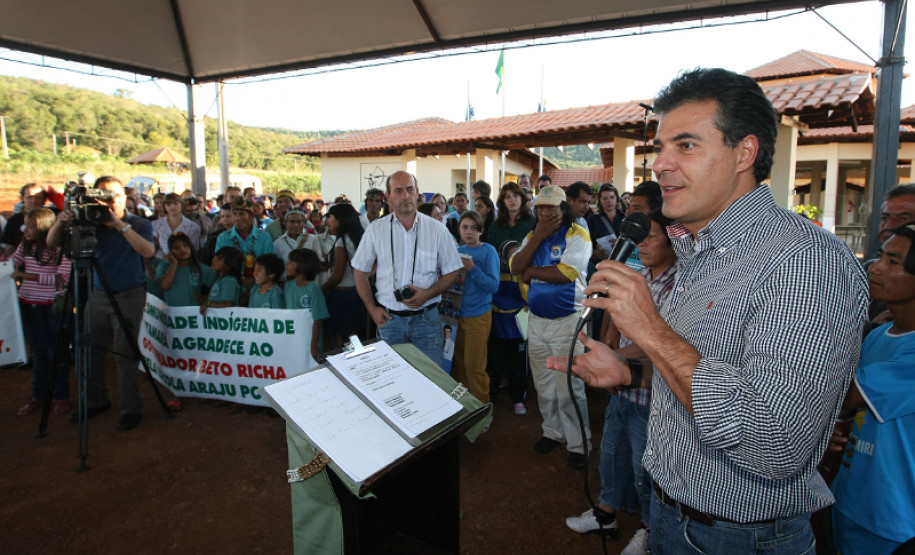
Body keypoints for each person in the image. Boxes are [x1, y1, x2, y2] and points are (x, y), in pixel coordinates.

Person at [547, 68, 868, 553]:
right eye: (660, 148)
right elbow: (706, 378)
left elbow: (776, 441)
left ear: (745, 153)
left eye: (687, 145)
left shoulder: (806, 260)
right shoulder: (698, 252)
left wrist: (652, 332)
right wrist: (632, 376)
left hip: (738, 537)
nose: (661, 164)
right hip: (670, 514)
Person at [566, 209, 678, 554]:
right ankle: (606, 513)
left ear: (673, 240)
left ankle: (648, 530)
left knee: (645, 468)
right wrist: (607, 349)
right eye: (639, 237)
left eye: (652, 236)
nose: (642, 244)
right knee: (611, 456)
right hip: (621, 392)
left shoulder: (679, 284)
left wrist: (618, 360)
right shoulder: (637, 277)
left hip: (651, 397)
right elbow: (614, 321)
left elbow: (662, 344)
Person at [830, 223, 915, 555]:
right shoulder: (879, 336)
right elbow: (845, 406)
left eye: (893, 262)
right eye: (881, 256)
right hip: (850, 500)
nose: (876, 268)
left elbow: (845, 394)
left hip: (893, 522)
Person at [48, 176, 156, 432]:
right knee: (90, 349)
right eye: (106, 197)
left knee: (125, 352)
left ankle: (131, 407)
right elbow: (52, 243)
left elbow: (148, 251)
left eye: (117, 196)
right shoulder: (89, 223)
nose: (112, 201)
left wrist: (118, 224)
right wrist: (63, 222)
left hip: (130, 294)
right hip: (97, 294)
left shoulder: (138, 223)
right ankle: (95, 400)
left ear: (125, 197)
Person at [510, 185, 592, 470]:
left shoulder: (578, 235)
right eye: (540, 208)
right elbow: (514, 266)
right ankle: (552, 432)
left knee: (569, 386)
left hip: (568, 321)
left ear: (563, 209)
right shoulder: (533, 235)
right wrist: (539, 237)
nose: (545, 213)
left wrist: (530, 272)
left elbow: (565, 273)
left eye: (551, 207)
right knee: (543, 384)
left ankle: (579, 444)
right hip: (537, 321)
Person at [352, 171, 462, 367]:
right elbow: (360, 271)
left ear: (417, 193)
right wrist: (371, 309)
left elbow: (452, 271)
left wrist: (428, 293)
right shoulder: (375, 230)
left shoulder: (437, 229)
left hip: (427, 320)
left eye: (410, 190)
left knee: (432, 381)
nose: (405, 196)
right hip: (389, 321)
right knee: (393, 384)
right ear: (388, 197)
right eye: (399, 191)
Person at [3, 208, 72, 416]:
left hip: (51, 307)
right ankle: (39, 395)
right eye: (25, 225)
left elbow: (62, 280)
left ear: (42, 227)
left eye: (30, 226)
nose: (25, 230)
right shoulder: (24, 245)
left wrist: (26, 276)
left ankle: (60, 396)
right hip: (28, 304)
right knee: (38, 353)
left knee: (55, 352)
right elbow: (11, 264)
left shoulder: (61, 248)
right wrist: (5, 267)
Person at [453, 211, 500, 407]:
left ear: (481, 231)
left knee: (474, 367)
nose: (469, 232)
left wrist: (472, 267)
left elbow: (493, 286)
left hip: (479, 315)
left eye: (474, 228)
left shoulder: (488, 251)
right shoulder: (456, 250)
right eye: (465, 227)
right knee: (460, 367)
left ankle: (482, 408)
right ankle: (466, 407)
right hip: (455, 317)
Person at [487, 240, 528, 414]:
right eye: (512, 256)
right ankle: (491, 397)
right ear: (503, 259)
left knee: (517, 365)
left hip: (518, 326)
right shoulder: (494, 273)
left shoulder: (526, 274)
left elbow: (529, 297)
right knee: (493, 365)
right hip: (496, 325)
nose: (516, 260)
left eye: (520, 255)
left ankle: (518, 399)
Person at [319, 203, 367, 350]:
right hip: (358, 292)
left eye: (330, 217)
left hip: (342, 294)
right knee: (354, 337)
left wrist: (322, 289)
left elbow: (338, 275)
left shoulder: (341, 241)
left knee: (339, 339)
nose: (328, 221)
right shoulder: (359, 238)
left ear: (340, 219)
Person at [215, 198, 275, 288]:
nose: (237, 218)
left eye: (242, 214)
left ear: (252, 217)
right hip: (232, 285)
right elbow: (221, 265)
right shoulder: (223, 238)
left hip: (259, 285)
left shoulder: (264, 237)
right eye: (234, 214)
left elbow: (268, 265)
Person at [285, 248, 329, 361]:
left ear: (302, 266)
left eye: (290, 262)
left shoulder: (313, 289)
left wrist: (314, 344)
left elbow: (318, 318)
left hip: (310, 338)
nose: (287, 265)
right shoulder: (288, 286)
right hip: (293, 337)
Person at [156, 232, 216, 307]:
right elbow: (164, 286)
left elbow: (219, 286)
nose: (183, 250)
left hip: (192, 314)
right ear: (170, 251)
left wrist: (207, 298)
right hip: (170, 313)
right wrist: (174, 264)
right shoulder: (164, 266)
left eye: (185, 245)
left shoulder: (200, 268)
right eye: (176, 248)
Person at [486, 181, 535, 251]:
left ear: (522, 198)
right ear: (503, 202)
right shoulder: (495, 226)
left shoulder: (532, 223)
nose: (512, 199)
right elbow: (491, 251)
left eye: (516, 195)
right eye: (508, 197)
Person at [152, 193, 200, 258]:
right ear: (165, 207)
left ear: (181, 205)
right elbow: (154, 246)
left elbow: (193, 248)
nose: (172, 207)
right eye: (168, 204)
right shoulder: (155, 225)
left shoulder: (193, 227)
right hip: (161, 261)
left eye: (175, 203)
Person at [202, 246, 243, 311]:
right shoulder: (219, 279)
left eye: (219, 259)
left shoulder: (229, 281)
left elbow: (228, 305)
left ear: (229, 265)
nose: (214, 260)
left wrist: (208, 303)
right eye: (215, 257)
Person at [273, 209, 310, 281]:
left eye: (299, 222)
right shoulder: (278, 243)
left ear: (304, 223)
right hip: (287, 284)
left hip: (309, 284)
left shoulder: (314, 240)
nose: (296, 225)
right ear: (285, 223)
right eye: (292, 222)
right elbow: (276, 268)